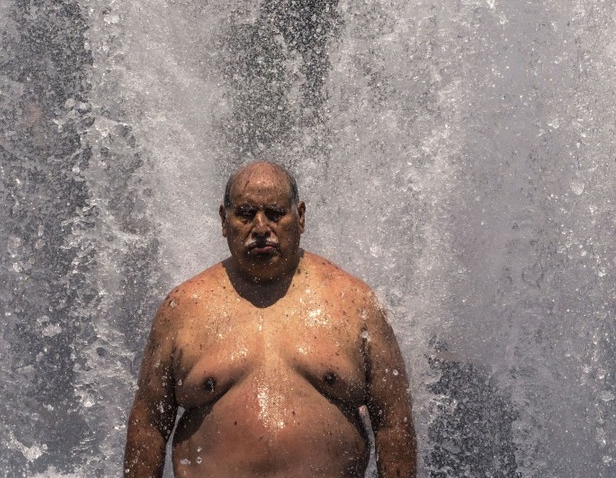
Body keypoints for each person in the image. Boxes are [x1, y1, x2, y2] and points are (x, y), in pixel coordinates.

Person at [124, 161, 417, 477]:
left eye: (275, 214)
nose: (261, 228)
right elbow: (149, 424)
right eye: (246, 214)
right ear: (224, 220)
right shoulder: (182, 309)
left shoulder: (355, 304)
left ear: (300, 217)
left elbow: (392, 423)